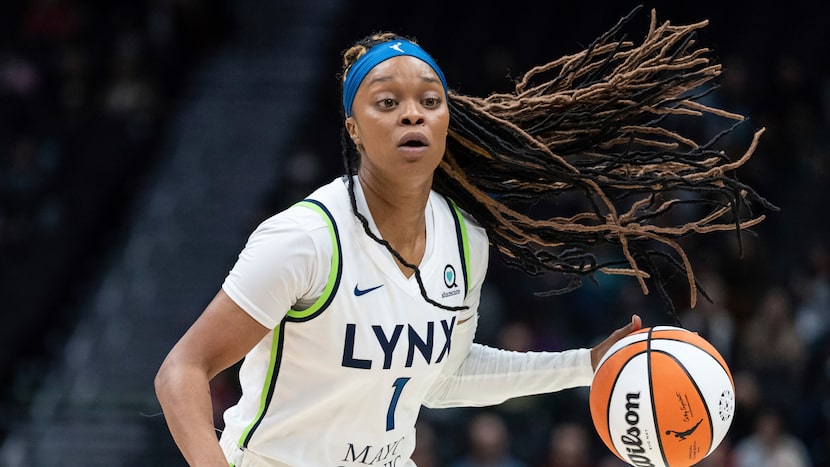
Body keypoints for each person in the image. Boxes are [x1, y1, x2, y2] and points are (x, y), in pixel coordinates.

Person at [155, 7, 773, 466]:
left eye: (429, 100)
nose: (412, 114)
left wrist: (585, 365)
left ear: (447, 120)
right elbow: (182, 370)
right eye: (386, 102)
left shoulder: (463, 240)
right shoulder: (305, 240)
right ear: (353, 129)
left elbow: (444, 376)